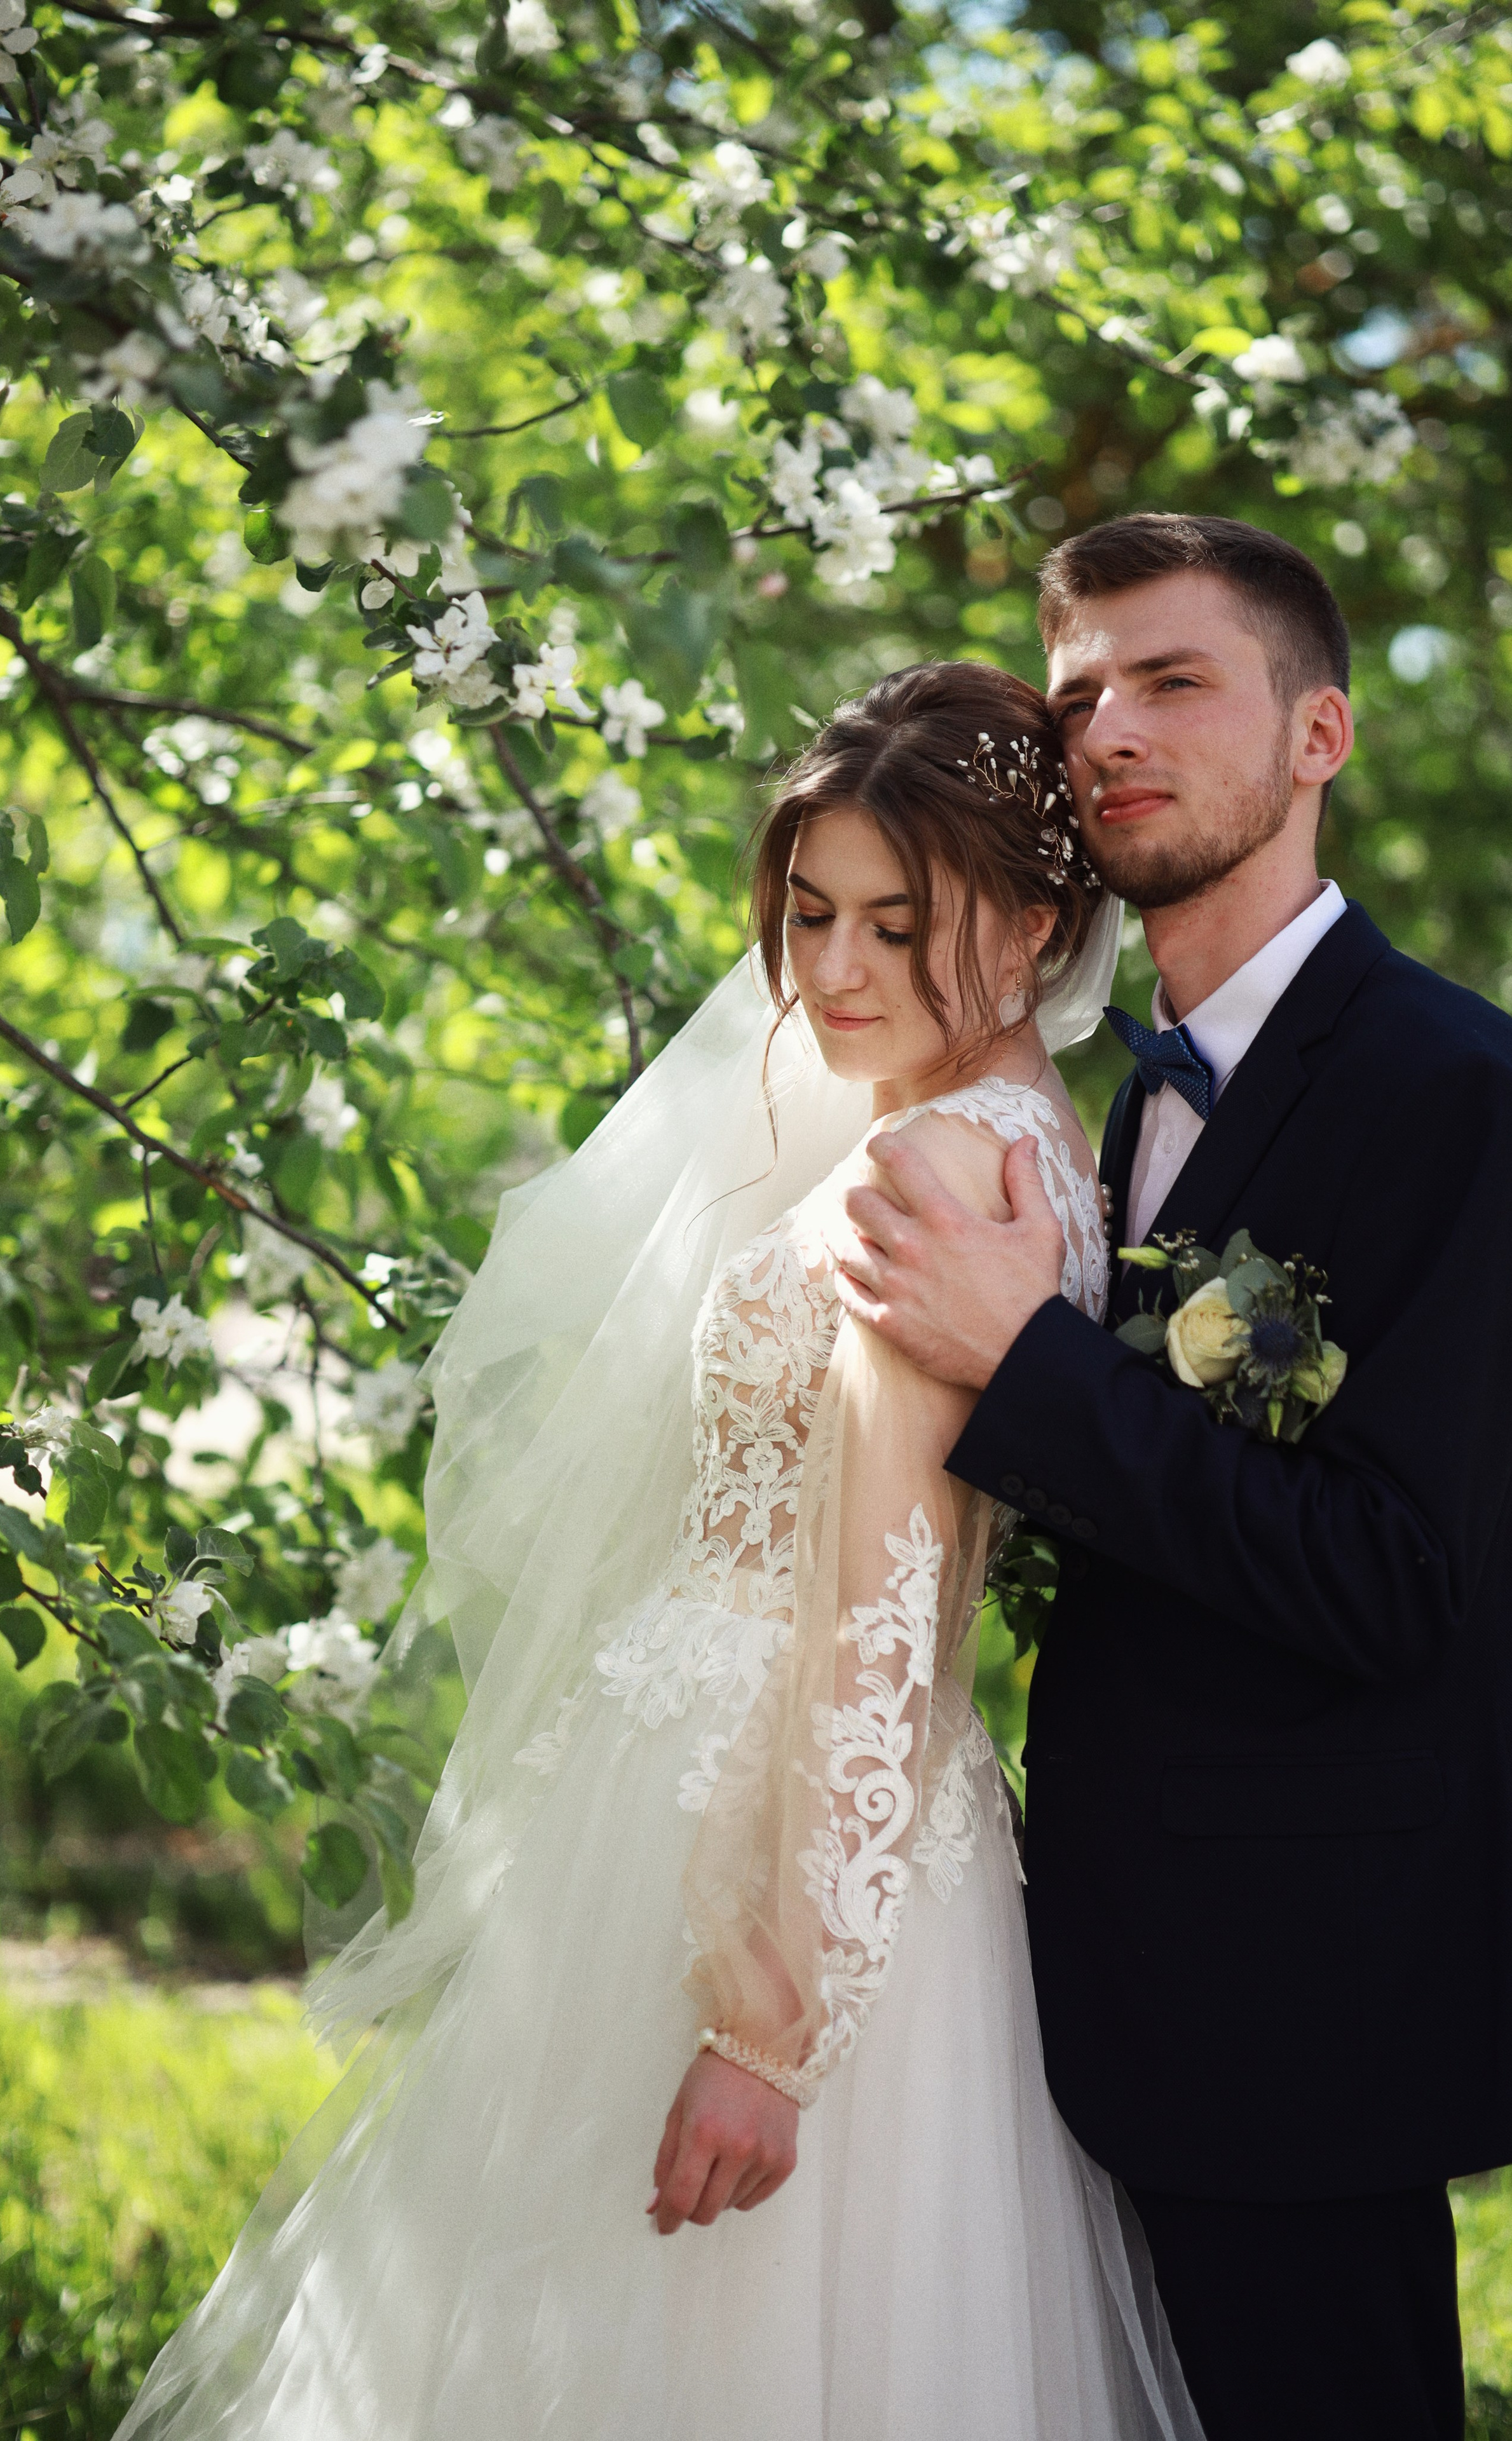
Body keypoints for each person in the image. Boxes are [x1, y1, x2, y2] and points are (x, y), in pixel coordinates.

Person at [113, 660, 1201, 2441]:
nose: (833, 972)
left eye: (894, 925)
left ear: (1033, 918)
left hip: (770, 1840)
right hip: (792, 1809)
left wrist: (769, 2025)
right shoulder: (1035, 1143)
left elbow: (881, 1602)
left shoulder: (930, 1178)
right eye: (811, 914)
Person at [838, 512, 1512, 2441]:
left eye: (1174, 679)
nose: (1110, 726)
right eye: (1078, 695)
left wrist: (1029, 1366)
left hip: (1305, 2006)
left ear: (1322, 738)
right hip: (1083, 1982)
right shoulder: (1113, 1094)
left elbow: (1397, 1572)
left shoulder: (1460, 1094)